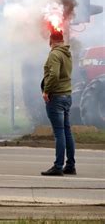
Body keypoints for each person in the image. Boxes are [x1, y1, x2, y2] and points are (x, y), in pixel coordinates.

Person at [41, 31, 75, 176]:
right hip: (67, 96)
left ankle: (58, 166)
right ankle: (70, 165)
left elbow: (54, 74)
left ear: (51, 40)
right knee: (67, 131)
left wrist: (46, 91)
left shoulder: (54, 54)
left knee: (59, 133)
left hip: (56, 97)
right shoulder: (67, 53)